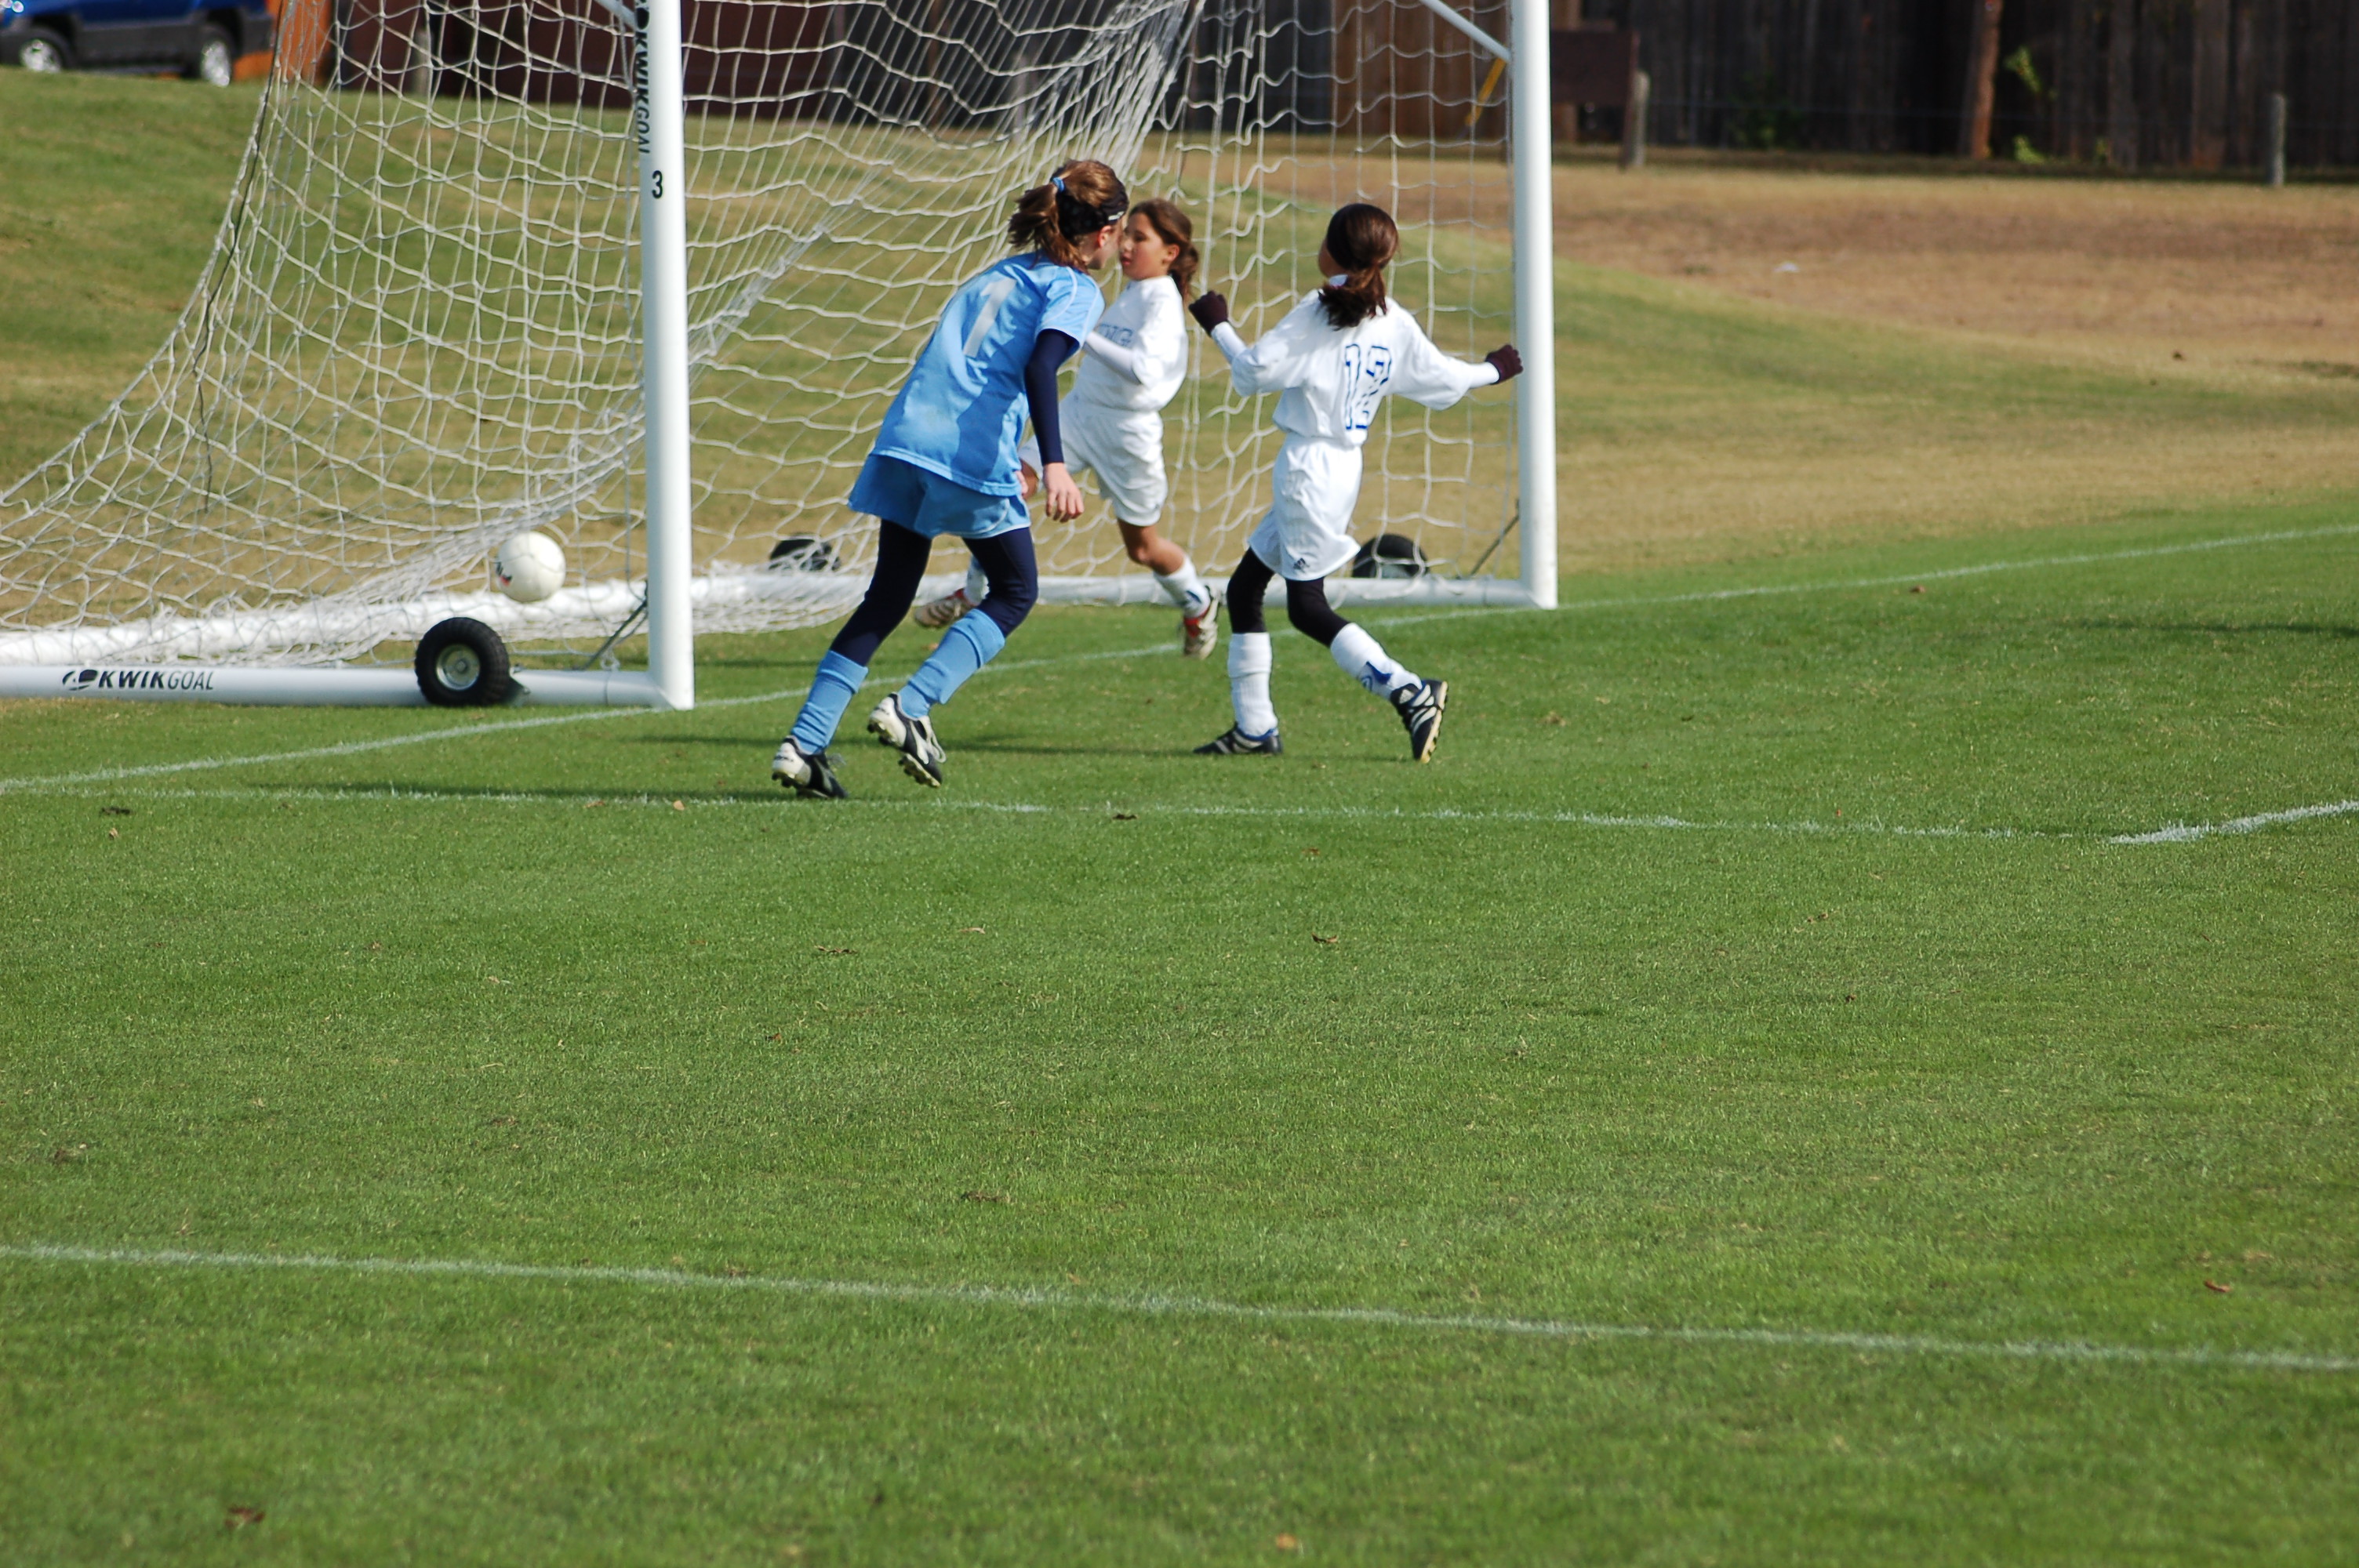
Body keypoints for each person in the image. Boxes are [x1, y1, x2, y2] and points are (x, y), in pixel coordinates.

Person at [769, 161, 1128, 797]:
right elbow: (1041, 367)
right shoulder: (1075, 289)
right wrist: (1053, 464)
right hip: (967, 451)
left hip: (907, 439)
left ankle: (804, 744)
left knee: (887, 597)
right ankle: (911, 707)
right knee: (1015, 590)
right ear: (1103, 233)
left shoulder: (999, 274)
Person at [1184, 202, 1520, 763]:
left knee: (1306, 606)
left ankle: (1408, 691)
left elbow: (1253, 373)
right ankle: (1255, 728)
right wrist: (1494, 369)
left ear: (1333, 251)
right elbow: (1442, 377)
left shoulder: (1319, 310)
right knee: (1244, 589)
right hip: (1341, 469)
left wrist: (1217, 323)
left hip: (1307, 470)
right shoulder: (1391, 318)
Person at [914, 199, 1219, 657]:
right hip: (1079, 413)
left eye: (1140, 238)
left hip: (1128, 434)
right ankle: (975, 593)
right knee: (1010, 486)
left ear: (1170, 253)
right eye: (1126, 235)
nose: (1126, 246)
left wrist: (1082, 333)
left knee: (1143, 548)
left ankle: (1198, 604)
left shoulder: (1162, 300)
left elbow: (1143, 370)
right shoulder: (1134, 290)